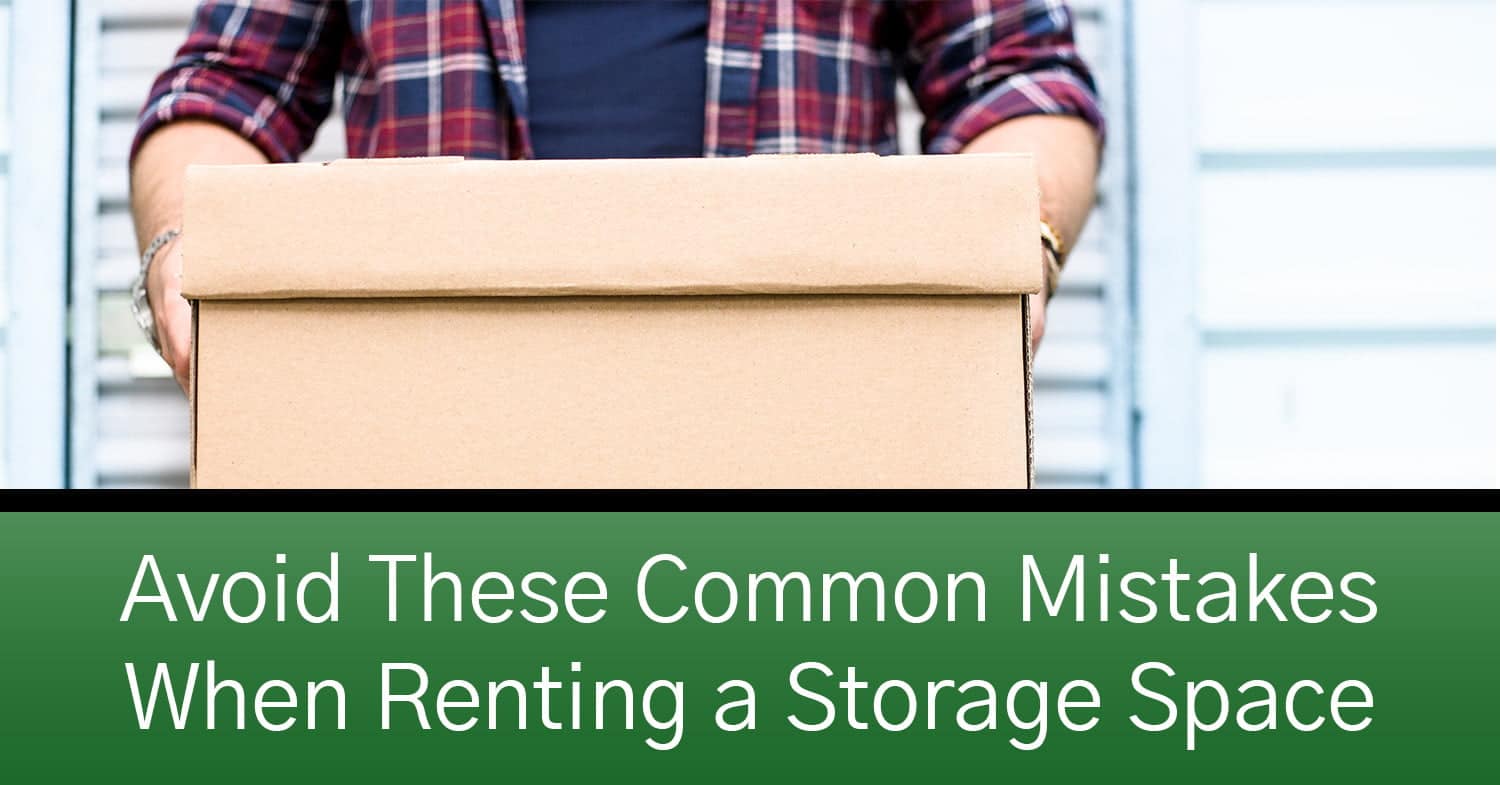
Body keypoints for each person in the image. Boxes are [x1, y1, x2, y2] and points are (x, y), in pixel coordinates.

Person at [130, 0, 1104, 393]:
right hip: (441, 438)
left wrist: (1014, 247)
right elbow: (224, 90)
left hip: (801, 427)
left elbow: (1015, 83)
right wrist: (186, 244)